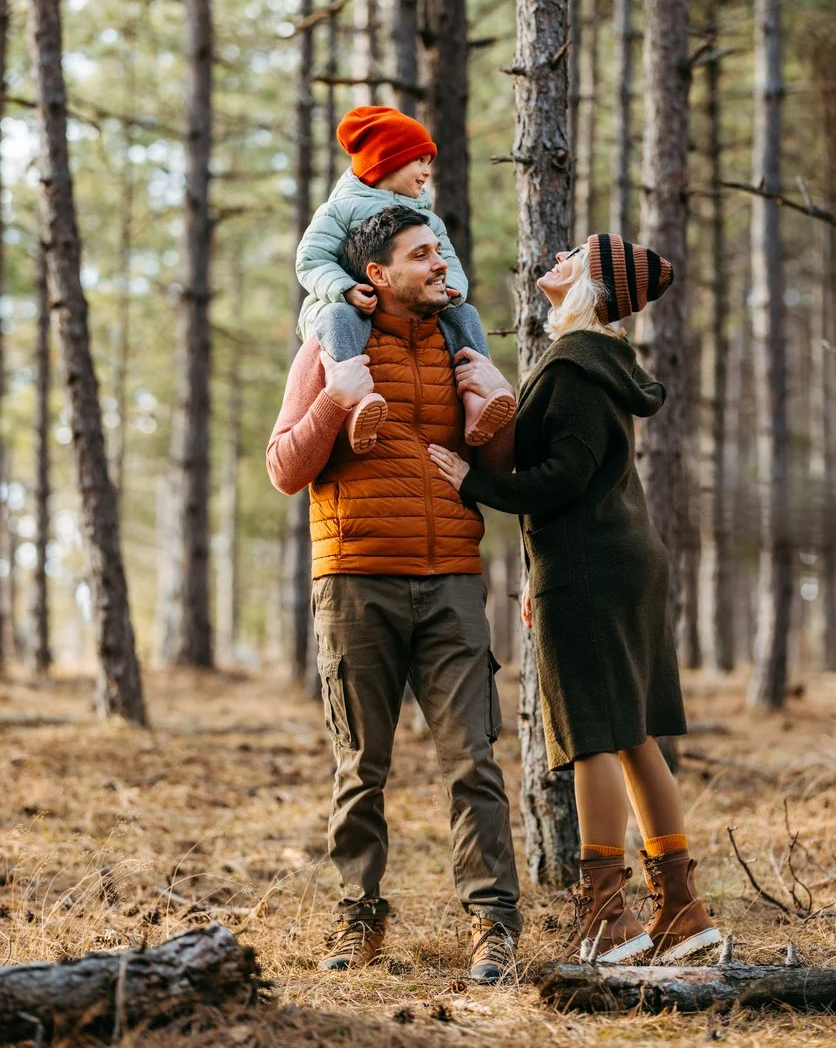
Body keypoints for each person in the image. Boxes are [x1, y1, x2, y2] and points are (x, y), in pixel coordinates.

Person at [429, 233, 722, 965]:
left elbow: (559, 477)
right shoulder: (598, 361)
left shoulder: (577, 362)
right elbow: (584, 481)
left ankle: (607, 916)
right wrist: (536, 568)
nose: (556, 253)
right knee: (630, 733)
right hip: (610, 556)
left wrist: (472, 483)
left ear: (590, 282)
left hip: (595, 567)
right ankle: (682, 911)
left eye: (576, 252)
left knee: (594, 731)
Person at [267, 206, 523, 983]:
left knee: (473, 762)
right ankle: (358, 918)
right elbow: (283, 468)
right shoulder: (328, 346)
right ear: (378, 275)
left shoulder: (460, 343)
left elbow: (502, 469)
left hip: (451, 578)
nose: (441, 263)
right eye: (422, 255)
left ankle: (493, 927)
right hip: (354, 581)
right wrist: (336, 399)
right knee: (360, 766)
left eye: (440, 249)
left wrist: (496, 391)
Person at [296, 105, 514, 453]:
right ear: (386, 162)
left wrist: (453, 286)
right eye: (419, 161)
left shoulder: (426, 217)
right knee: (338, 319)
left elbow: (449, 259)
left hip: (411, 306)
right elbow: (310, 260)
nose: (428, 171)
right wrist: (346, 289)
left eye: (429, 162)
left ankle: (476, 400)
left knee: (465, 315)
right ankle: (357, 408)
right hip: (350, 305)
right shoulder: (340, 210)